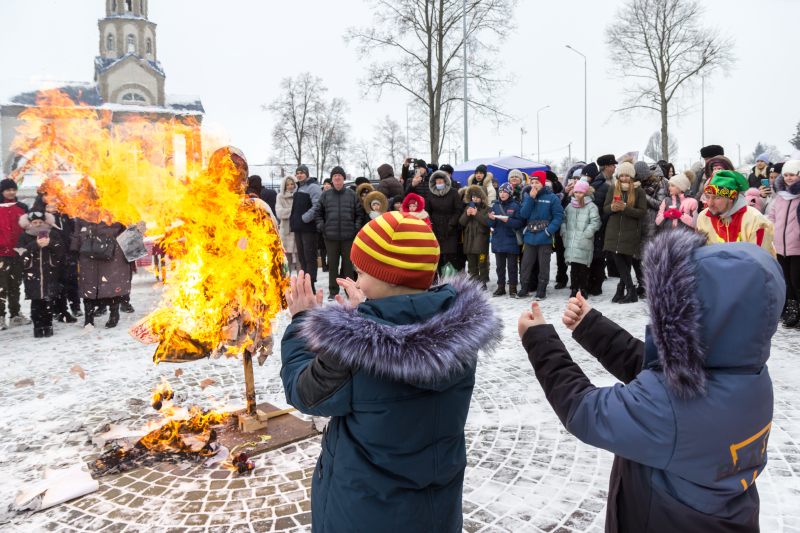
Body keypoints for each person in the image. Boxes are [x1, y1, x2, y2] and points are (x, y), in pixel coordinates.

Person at [518, 228, 783, 533]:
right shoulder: (749, 376)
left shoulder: (673, 407)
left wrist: (539, 340)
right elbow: (654, 374)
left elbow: (585, 410)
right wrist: (592, 327)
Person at [281, 211, 499, 533]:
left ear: (386, 278)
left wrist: (303, 322)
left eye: (361, 272)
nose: (356, 280)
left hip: (365, 514)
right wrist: (365, 315)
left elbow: (306, 393)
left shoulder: (358, 352)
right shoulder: (458, 331)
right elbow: (402, 323)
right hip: (435, 511)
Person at [696, 170, 776, 258]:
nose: (710, 203)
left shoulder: (756, 220)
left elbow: (759, 262)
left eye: (717, 198)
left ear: (731, 198)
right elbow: (702, 255)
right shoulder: (703, 217)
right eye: (707, 197)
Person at [315, 167, 363, 300]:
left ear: (343, 178)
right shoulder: (325, 195)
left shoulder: (351, 194)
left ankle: (349, 290)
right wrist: (322, 226)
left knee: (348, 265)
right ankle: (333, 291)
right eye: (335, 176)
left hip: (348, 236)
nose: (337, 178)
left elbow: (359, 214)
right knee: (333, 265)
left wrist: (356, 227)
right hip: (330, 236)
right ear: (332, 179)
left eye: (339, 176)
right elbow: (318, 212)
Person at [603, 161, 647, 304]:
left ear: (632, 176)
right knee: (620, 262)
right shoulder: (613, 188)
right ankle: (627, 290)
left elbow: (641, 212)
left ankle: (624, 290)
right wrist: (613, 208)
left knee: (626, 263)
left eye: (627, 175)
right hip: (614, 231)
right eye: (621, 175)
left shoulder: (639, 191)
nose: (624, 178)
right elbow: (605, 209)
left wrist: (625, 208)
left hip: (630, 232)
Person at [517, 171, 564, 301]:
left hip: (545, 237)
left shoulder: (552, 197)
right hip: (530, 236)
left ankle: (542, 289)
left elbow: (559, 217)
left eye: (537, 183)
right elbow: (523, 215)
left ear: (543, 183)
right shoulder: (528, 196)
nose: (534, 185)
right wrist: (530, 199)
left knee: (544, 264)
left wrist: (549, 231)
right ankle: (524, 287)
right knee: (526, 263)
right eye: (532, 183)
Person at [17, 210, 63, 337]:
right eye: (35, 222)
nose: (38, 225)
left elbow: (61, 250)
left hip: (49, 272)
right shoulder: (24, 236)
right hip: (32, 274)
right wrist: (35, 244)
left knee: (48, 302)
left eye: (40, 222)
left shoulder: (52, 234)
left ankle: (48, 326)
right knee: (36, 303)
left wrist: (50, 243)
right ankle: (37, 327)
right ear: (29, 223)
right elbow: (20, 253)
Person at [768, 160, 800, 329]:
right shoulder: (781, 196)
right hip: (781, 245)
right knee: (786, 280)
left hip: (797, 246)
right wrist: (772, 229)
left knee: (797, 281)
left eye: (792, 175)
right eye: (786, 175)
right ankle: (792, 311)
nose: (788, 178)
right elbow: (772, 215)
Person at [561, 180, 601, 300]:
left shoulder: (591, 206)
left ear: (586, 193)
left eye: (580, 192)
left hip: (584, 240)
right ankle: (574, 289)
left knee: (583, 268)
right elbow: (563, 220)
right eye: (576, 192)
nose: (577, 195)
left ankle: (583, 289)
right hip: (571, 241)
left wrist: (586, 234)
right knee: (573, 268)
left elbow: (595, 222)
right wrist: (564, 233)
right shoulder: (569, 206)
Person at [634, 161, 668, 298]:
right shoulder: (636, 183)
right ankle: (641, 283)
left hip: (652, 224)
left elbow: (660, 204)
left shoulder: (659, 184)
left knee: (648, 256)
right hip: (637, 223)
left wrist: (642, 194)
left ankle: (650, 285)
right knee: (636, 256)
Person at [0, 178, 30, 329]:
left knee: (15, 285)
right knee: (1, 286)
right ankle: (0, 317)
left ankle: (15, 315)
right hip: (1, 254)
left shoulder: (22, 208)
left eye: (14, 189)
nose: (11, 192)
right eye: (8, 190)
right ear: (2, 191)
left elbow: (28, 229)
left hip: (18, 253)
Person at [488, 182, 525, 297]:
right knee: (500, 267)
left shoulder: (516, 205)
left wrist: (507, 221)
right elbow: (490, 224)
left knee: (512, 266)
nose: (502, 194)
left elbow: (520, 223)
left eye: (505, 192)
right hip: (498, 240)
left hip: (512, 240)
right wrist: (491, 219)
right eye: (501, 192)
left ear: (510, 193)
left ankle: (512, 287)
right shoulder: (495, 205)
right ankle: (500, 287)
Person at [289, 164, 323, 291]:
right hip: (298, 228)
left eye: (302, 173)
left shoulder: (313, 187)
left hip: (309, 229)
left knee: (310, 257)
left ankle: (311, 284)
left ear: (307, 174)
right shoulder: (297, 189)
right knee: (302, 257)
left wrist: (305, 218)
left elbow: (318, 205)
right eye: (297, 173)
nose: (299, 175)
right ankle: (305, 283)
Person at [427, 170, 464, 275]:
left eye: (441, 179)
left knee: (450, 257)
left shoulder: (453, 192)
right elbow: (427, 210)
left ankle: (450, 279)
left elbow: (458, 210)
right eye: (437, 179)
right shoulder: (431, 193)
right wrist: (431, 224)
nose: (438, 182)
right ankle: (437, 279)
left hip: (449, 229)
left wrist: (451, 223)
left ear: (445, 180)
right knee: (437, 256)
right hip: (436, 228)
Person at [459, 185, 491, 288]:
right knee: (471, 264)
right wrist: (467, 214)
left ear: (483, 198)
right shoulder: (468, 207)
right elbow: (461, 222)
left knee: (482, 264)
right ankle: (473, 281)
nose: (475, 199)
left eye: (477, 197)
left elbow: (487, 222)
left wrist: (476, 213)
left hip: (481, 241)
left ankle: (483, 281)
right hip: (469, 242)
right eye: (473, 198)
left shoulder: (487, 209)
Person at [276, 175, 298, 273]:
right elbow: (279, 213)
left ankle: (300, 283)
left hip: (297, 229)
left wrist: (287, 212)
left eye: (292, 184)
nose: (290, 186)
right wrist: (294, 211)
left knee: (299, 258)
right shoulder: (280, 196)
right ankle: (286, 282)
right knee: (286, 259)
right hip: (286, 231)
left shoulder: (299, 195)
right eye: (287, 184)